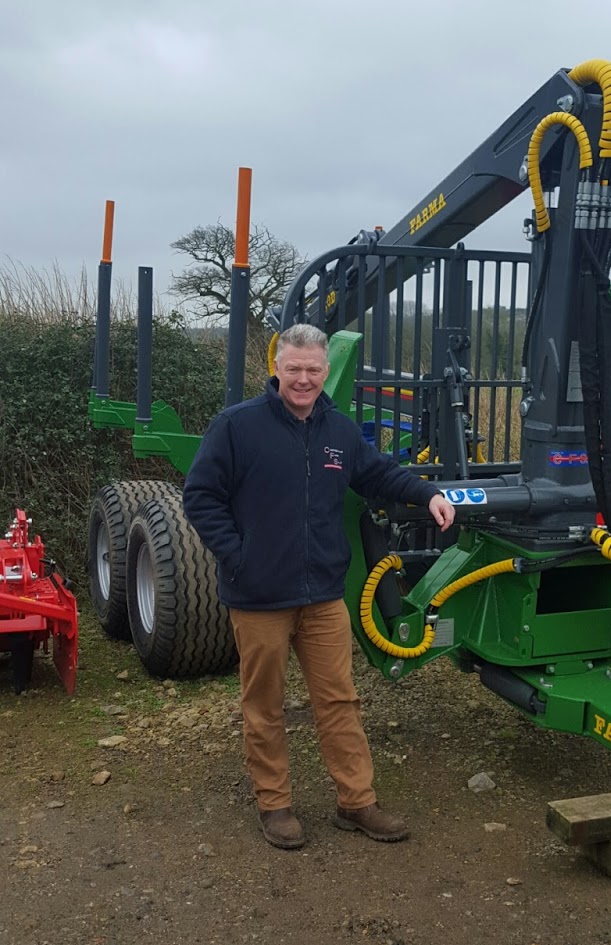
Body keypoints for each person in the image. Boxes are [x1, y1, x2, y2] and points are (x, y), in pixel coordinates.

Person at [183, 323, 455, 850]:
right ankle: (275, 805)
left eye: (313, 370)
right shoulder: (236, 426)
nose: (303, 379)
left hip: (324, 597)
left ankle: (356, 802)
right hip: (259, 598)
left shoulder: (340, 431)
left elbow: (378, 474)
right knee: (264, 704)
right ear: (276, 369)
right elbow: (200, 496)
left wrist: (427, 495)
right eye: (294, 369)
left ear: (326, 371)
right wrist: (239, 556)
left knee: (339, 700)